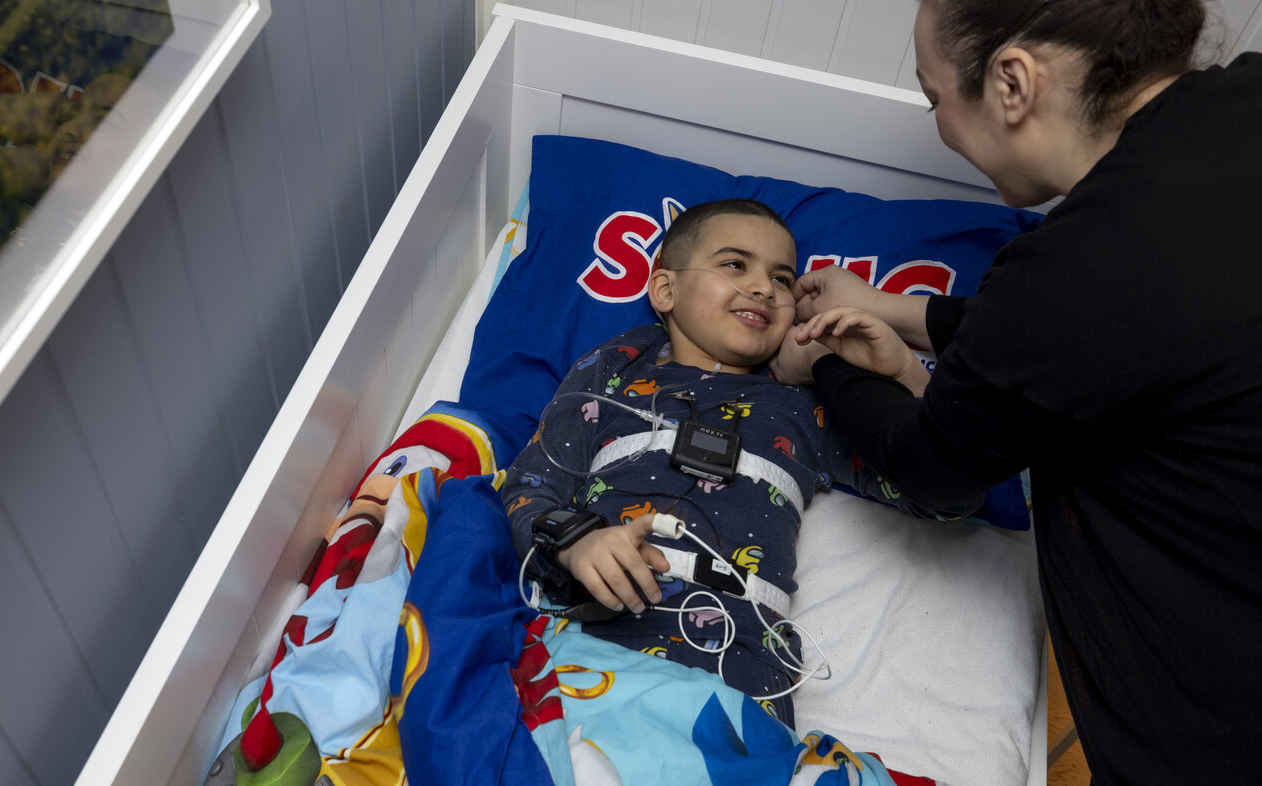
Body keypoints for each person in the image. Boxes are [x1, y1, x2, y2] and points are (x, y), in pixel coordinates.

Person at [770, 0, 1262, 781]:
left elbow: (932, 462)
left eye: (936, 101)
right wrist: (892, 310)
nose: (940, 124)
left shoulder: (1083, 271)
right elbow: (1098, 334)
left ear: (1012, 83)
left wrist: (819, 364)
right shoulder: (1238, 103)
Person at [501, 199, 978, 728]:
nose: (763, 288)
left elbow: (947, 494)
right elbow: (530, 484)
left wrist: (905, 374)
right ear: (665, 290)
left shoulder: (808, 404)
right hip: (591, 635)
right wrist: (577, 540)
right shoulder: (616, 368)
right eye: (735, 265)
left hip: (739, 666)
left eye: (782, 278)